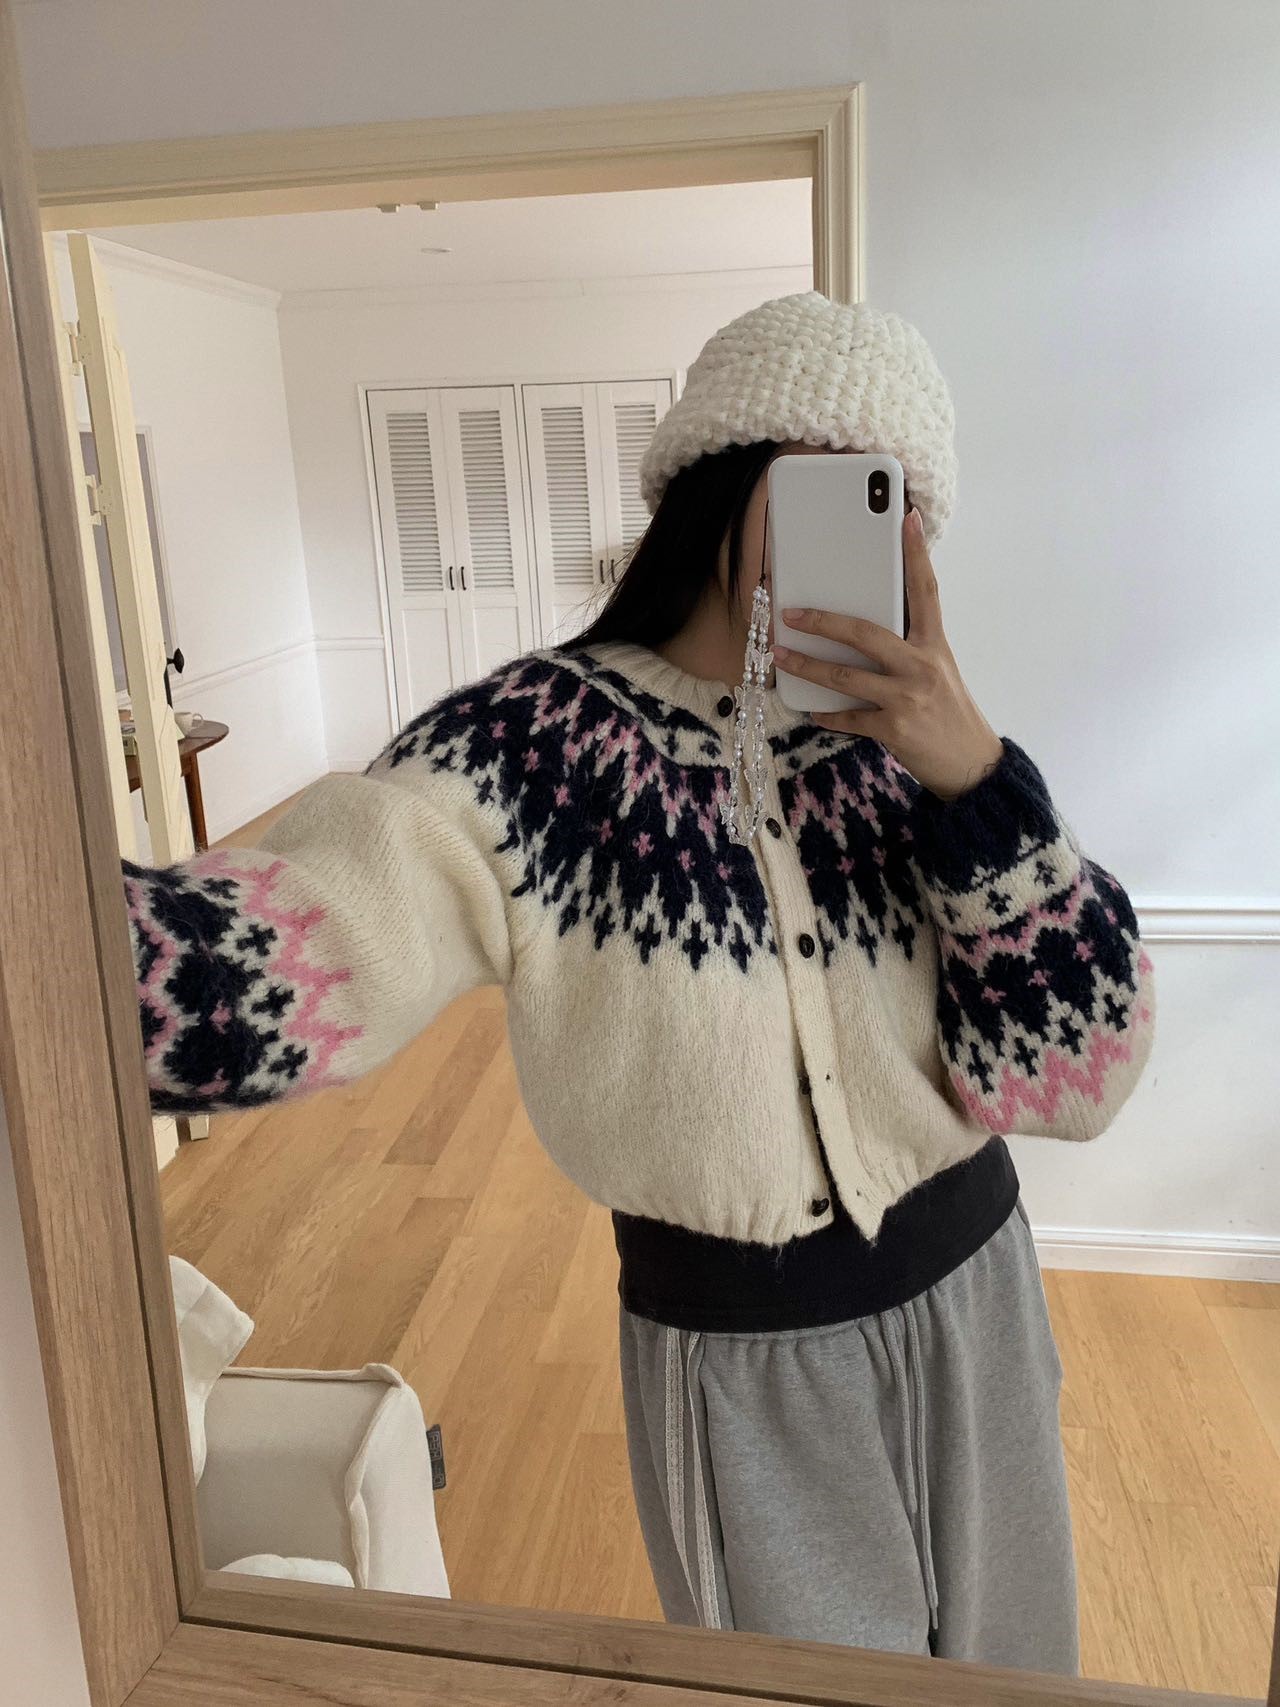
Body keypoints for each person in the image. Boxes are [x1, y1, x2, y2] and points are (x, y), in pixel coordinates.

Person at [124, 292, 1154, 1671]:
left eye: (905, 503)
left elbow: (1079, 1082)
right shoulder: (536, 749)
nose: (882, 531)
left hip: (981, 1298)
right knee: (798, 1691)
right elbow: (299, 942)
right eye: (845, 485)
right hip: (745, 1357)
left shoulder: (921, 754)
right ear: (726, 482)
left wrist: (977, 782)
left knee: (1018, 1671)